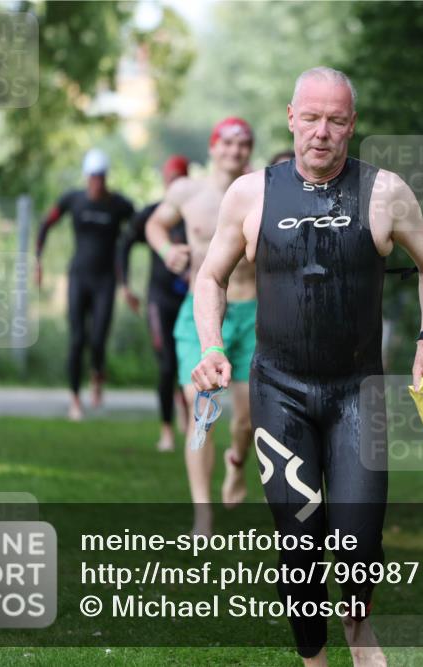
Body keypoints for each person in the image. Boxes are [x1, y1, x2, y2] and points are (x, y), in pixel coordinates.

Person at [190, 67, 423, 667]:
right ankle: (315, 660)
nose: (322, 133)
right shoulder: (251, 194)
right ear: (290, 118)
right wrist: (210, 347)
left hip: (357, 394)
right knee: (300, 542)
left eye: (336, 120)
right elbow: (211, 276)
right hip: (279, 394)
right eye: (310, 118)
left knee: (359, 541)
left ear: (352, 126)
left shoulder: (384, 192)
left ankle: (359, 634)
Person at [145, 118, 256, 530]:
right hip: (199, 313)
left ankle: (237, 463)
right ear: (213, 147)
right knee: (200, 411)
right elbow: (155, 223)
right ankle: (202, 511)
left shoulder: (260, 191)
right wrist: (165, 249)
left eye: (243, 144)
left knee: (247, 419)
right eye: (227, 143)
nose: (235, 151)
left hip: (251, 313)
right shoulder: (186, 191)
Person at [36, 148, 135, 421]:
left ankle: (97, 377)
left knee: (99, 338)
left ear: (106, 178)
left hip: (105, 280)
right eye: (92, 177)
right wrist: (38, 260)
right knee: (77, 339)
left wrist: (126, 280)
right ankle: (75, 400)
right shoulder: (73, 200)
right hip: (79, 277)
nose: (96, 183)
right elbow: (46, 223)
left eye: (101, 178)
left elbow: (139, 230)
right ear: (86, 177)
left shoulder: (119, 205)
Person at [117, 155, 192, 451]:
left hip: (190, 298)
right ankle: (167, 432)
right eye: (170, 179)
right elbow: (123, 243)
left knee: (188, 365)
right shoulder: (152, 215)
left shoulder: (197, 212)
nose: (174, 185)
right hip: (160, 300)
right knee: (166, 366)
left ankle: (187, 417)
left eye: (180, 179)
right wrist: (125, 286)